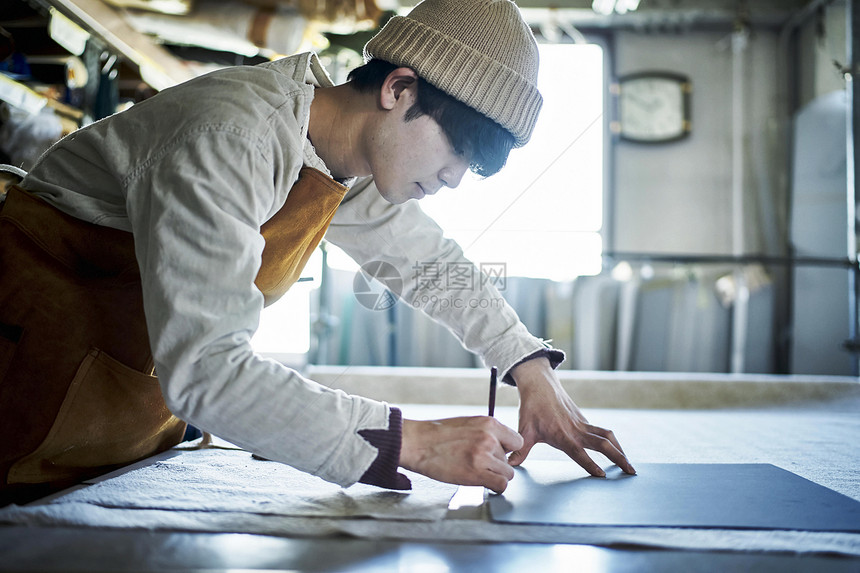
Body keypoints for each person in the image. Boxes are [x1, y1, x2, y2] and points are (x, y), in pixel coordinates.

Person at [0, 0, 634, 505]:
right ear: (400, 90)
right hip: (23, 398)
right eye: (457, 150)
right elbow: (209, 370)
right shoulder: (231, 139)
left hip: (108, 423)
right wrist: (410, 441)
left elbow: (432, 265)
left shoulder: (341, 163)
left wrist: (529, 366)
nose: (454, 179)